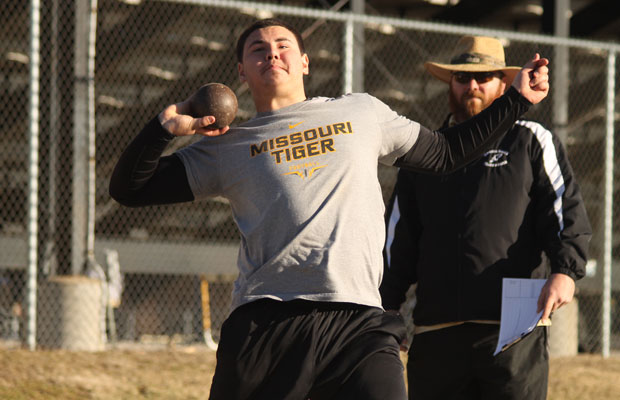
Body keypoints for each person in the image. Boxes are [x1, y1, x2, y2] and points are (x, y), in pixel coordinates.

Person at [109, 19, 549, 400]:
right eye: (257, 50)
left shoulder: (361, 112)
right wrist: (165, 127)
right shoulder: (227, 146)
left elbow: (446, 153)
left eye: (283, 46)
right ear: (241, 72)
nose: (272, 54)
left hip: (358, 323)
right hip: (267, 321)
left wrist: (516, 101)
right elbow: (130, 189)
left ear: (304, 62)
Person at [380, 35, 591, 400]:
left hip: (513, 325)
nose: (472, 86)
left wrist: (565, 270)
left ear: (504, 83)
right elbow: (398, 238)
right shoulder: (424, 153)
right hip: (436, 328)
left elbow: (564, 208)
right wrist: (387, 306)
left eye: (484, 77)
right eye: (462, 78)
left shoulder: (531, 140)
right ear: (451, 84)